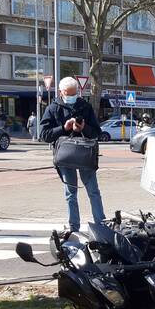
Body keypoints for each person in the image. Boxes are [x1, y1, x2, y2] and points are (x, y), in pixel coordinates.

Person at [38, 77, 106, 232]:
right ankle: (74, 227)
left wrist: (83, 128)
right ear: (61, 92)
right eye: (69, 94)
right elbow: (44, 135)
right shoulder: (53, 108)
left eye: (74, 94)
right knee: (71, 193)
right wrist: (64, 128)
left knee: (93, 191)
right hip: (66, 157)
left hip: (85, 156)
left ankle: (101, 224)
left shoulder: (85, 106)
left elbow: (96, 132)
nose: (72, 97)